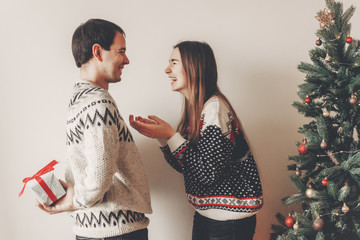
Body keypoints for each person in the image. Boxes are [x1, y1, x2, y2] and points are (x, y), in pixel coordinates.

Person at [129, 41, 263, 240]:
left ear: (194, 66)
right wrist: (162, 137)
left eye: (174, 62)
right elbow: (187, 167)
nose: (167, 70)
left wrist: (171, 136)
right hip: (207, 215)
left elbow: (207, 174)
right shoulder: (197, 111)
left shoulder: (215, 109)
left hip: (229, 221)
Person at [37, 19, 152, 240]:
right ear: (98, 52)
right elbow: (99, 173)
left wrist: (75, 198)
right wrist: (75, 200)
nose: (126, 59)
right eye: (121, 51)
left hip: (92, 227)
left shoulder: (77, 100)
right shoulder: (99, 104)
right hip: (116, 229)